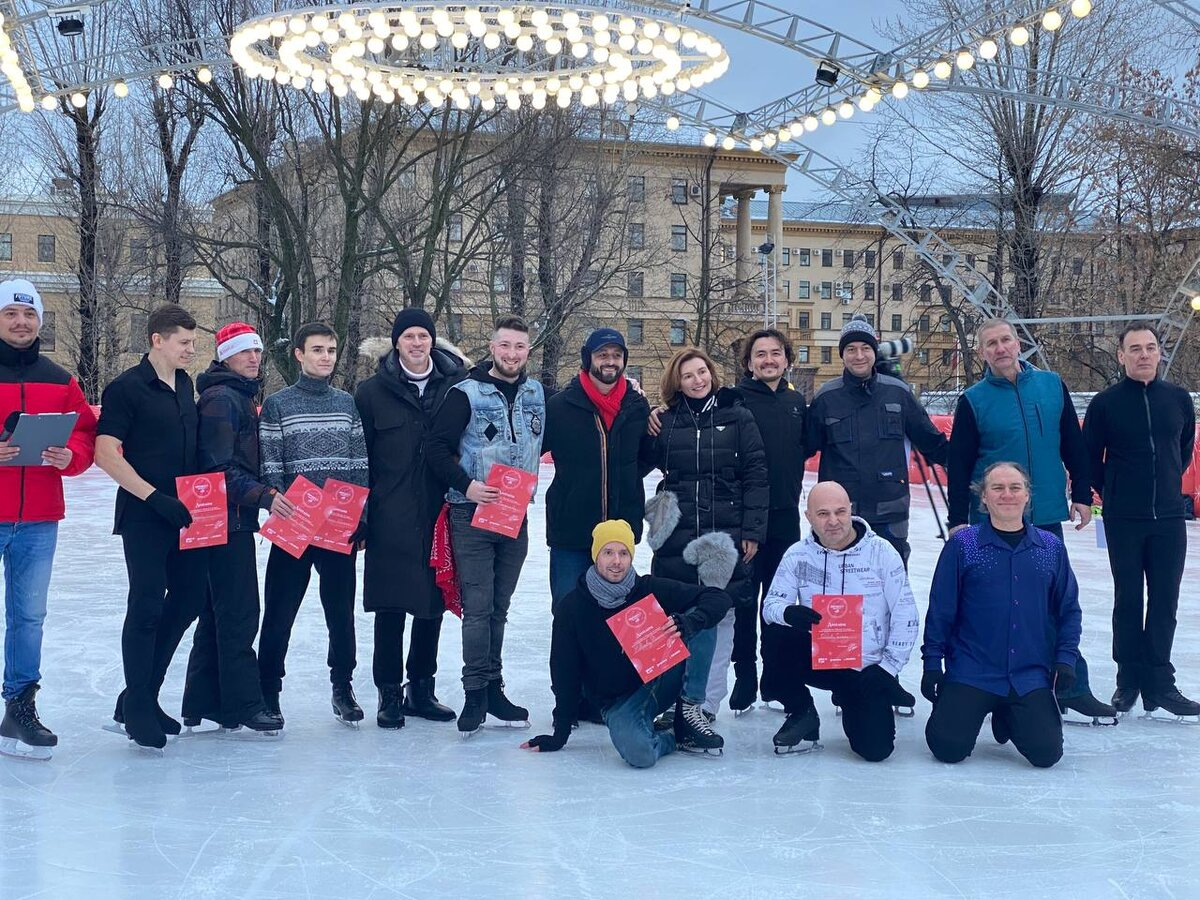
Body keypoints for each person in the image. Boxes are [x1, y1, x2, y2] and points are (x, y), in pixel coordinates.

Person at [946, 317, 1114, 724]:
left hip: (1044, 521)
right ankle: (995, 687)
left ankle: (1072, 687)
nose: (1000, 348)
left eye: (1005, 340)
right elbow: (960, 464)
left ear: (1018, 342)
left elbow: (1073, 444)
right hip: (995, 522)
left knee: (1055, 603)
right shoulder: (974, 399)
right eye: (991, 344)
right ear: (982, 352)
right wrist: (957, 520)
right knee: (997, 607)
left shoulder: (1051, 385)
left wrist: (1081, 496)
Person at [521, 520, 731, 766]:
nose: (616, 562)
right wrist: (560, 735)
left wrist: (689, 621)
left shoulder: (646, 588)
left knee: (702, 617)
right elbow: (564, 670)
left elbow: (718, 598)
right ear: (595, 556)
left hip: (662, 679)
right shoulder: (573, 607)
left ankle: (688, 710)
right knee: (640, 754)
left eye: (623, 553)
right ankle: (677, 736)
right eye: (608, 553)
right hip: (619, 702)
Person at [95, 304, 209, 751]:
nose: (190, 350)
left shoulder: (185, 384)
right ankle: (139, 706)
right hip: (145, 514)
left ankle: (139, 695)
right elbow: (106, 453)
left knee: (187, 601)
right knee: (145, 605)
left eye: (193, 342)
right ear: (156, 340)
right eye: (183, 342)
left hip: (185, 515)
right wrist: (154, 497)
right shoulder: (127, 388)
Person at [426, 315, 545, 736]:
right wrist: (468, 485)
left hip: (514, 514)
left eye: (520, 347)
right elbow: (435, 450)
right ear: (492, 348)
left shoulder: (536, 393)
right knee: (478, 608)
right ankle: (474, 691)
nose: (512, 354)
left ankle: (494, 687)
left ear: (527, 351)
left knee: (500, 606)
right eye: (505, 346)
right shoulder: (466, 394)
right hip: (472, 513)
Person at [922, 462, 1082, 769]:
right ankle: (965, 707)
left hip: (1028, 674)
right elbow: (941, 610)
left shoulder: (1050, 548)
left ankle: (1009, 713)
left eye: (1014, 488)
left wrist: (1066, 658)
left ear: (1026, 496)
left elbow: (1068, 609)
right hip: (973, 669)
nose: (1006, 495)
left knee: (1046, 753)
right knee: (947, 748)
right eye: (997, 488)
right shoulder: (963, 546)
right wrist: (932, 664)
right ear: (983, 497)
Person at [640, 346, 768, 728]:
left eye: (702, 372)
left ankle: (706, 701)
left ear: (712, 373)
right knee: (673, 615)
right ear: (676, 382)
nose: (697, 380)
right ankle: (670, 696)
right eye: (688, 375)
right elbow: (640, 461)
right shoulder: (666, 420)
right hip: (677, 532)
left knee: (719, 614)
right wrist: (645, 423)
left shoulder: (737, 416)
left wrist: (752, 532)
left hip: (724, 534)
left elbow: (757, 476)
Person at [354, 308, 466, 729]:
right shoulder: (371, 393)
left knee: (431, 601)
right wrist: (363, 514)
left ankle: (421, 687)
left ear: (432, 342)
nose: (417, 343)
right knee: (391, 604)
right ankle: (388, 692)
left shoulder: (456, 386)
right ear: (396, 342)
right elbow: (359, 458)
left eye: (424, 336)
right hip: (390, 511)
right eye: (409, 336)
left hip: (440, 508)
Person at [0, 279, 96, 760]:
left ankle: (18, 707)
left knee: (29, 616)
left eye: (29, 315)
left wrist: (69, 457)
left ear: (39, 320)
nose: (21, 323)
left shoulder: (61, 380)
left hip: (38, 517)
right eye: (10, 315)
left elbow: (85, 435)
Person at [1083, 322, 1198, 719]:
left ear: (1160, 353)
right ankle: (1129, 680)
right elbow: (1089, 459)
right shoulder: (1105, 404)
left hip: (1168, 516)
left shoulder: (1179, 399)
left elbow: (1182, 451)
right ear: (1121, 356)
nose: (1144, 354)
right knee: (1127, 599)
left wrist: (1166, 484)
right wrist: (1112, 492)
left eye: (1150, 347)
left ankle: (1160, 683)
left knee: (1165, 600)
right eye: (1135, 348)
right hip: (1122, 518)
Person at [257, 322, 369, 727]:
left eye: (332, 350)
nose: (326, 357)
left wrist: (363, 514)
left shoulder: (346, 403)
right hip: (296, 523)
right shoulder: (278, 404)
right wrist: (276, 502)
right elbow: (270, 462)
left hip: (339, 525)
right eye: (318, 349)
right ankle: (269, 688)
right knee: (280, 610)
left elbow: (359, 461)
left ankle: (342, 686)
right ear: (299, 355)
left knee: (340, 612)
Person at [179, 322, 286, 735]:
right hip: (224, 519)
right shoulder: (224, 398)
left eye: (257, 351)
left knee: (217, 613)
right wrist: (264, 495)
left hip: (223, 519)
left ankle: (201, 702)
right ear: (225, 356)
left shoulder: (233, 394)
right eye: (244, 352)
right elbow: (218, 469)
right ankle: (244, 704)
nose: (253, 358)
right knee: (240, 613)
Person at [760, 482, 918, 760]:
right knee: (776, 636)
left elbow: (906, 615)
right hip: (819, 656)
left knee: (875, 750)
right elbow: (770, 606)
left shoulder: (882, 552)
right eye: (822, 514)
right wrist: (788, 613)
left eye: (840, 512)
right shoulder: (798, 555)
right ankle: (801, 711)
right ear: (808, 517)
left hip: (867, 667)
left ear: (850, 511)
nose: (833, 521)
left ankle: (866, 694)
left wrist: (887, 669)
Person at [805, 316, 948, 567]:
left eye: (865, 348)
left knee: (890, 587)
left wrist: (970, 463)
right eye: (851, 349)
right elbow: (803, 447)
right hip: (840, 516)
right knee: (839, 590)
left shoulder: (898, 392)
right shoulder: (827, 397)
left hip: (889, 512)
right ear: (842, 354)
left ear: (874, 352)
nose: (859, 355)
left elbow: (932, 442)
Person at [726, 328, 807, 713]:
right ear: (749, 363)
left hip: (785, 521)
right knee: (744, 601)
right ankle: (745, 674)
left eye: (776, 353)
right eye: (761, 354)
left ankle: (775, 679)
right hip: (745, 521)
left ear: (787, 359)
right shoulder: (735, 400)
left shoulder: (797, 403)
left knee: (777, 603)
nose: (769, 360)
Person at [543, 327, 651, 611]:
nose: (610, 361)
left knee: (617, 616)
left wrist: (622, 477)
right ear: (588, 359)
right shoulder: (560, 406)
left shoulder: (637, 405)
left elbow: (647, 455)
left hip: (620, 531)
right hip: (571, 531)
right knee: (568, 612)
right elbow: (528, 452)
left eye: (617, 355)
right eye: (602, 355)